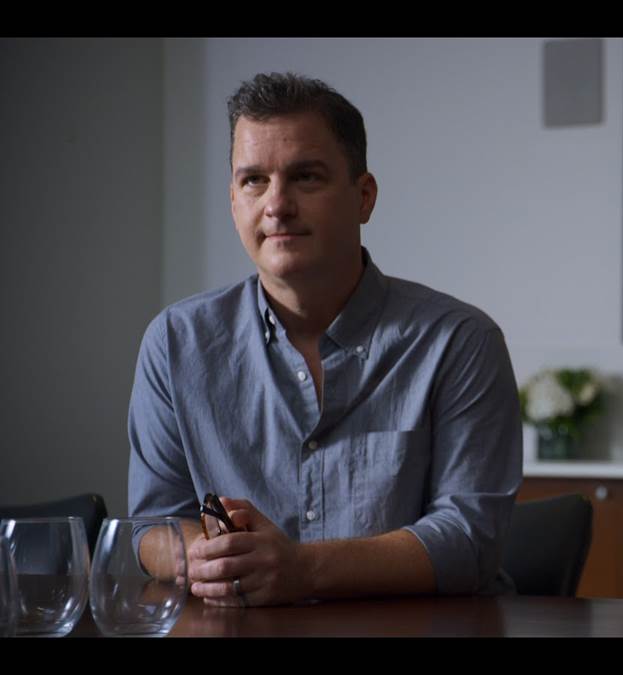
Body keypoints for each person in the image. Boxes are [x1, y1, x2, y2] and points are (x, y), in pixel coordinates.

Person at [128, 72, 522, 606]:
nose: (277, 205)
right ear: (234, 200)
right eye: (254, 180)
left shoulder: (459, 342)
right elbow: (153, 524)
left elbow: (471, 538)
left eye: (305, 177)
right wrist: (203, 557)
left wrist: (302, 569)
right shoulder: (176, 343)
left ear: (364, 198)